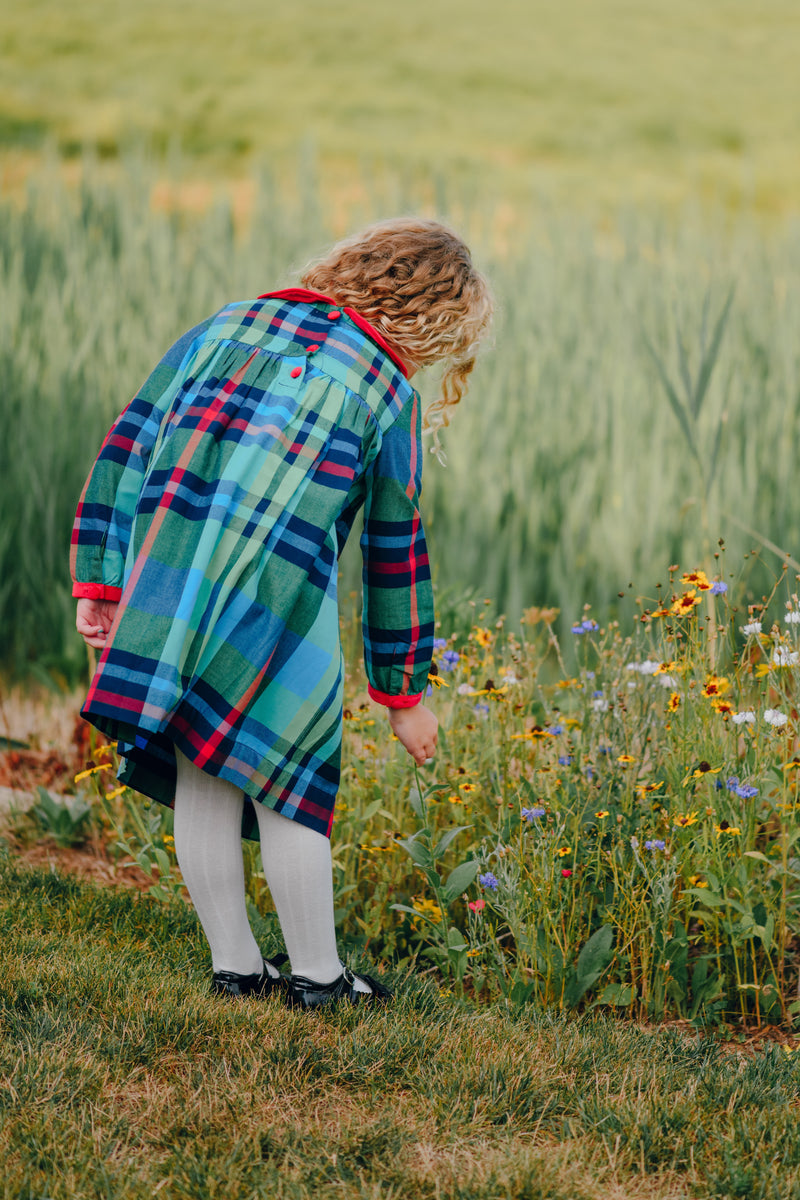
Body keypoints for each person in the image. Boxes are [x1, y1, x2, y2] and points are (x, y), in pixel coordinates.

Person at [71, 217, 493, 1008]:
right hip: (279, 611)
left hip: (176, 587)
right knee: (290, 785)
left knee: (204, 764)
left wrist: (103, 581)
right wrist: (402, 692)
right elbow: (395, 546)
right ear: (436, 318)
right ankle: (320, 980)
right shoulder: (385, 387)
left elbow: (129, 444)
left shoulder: (227, 322)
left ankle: (236, 969)